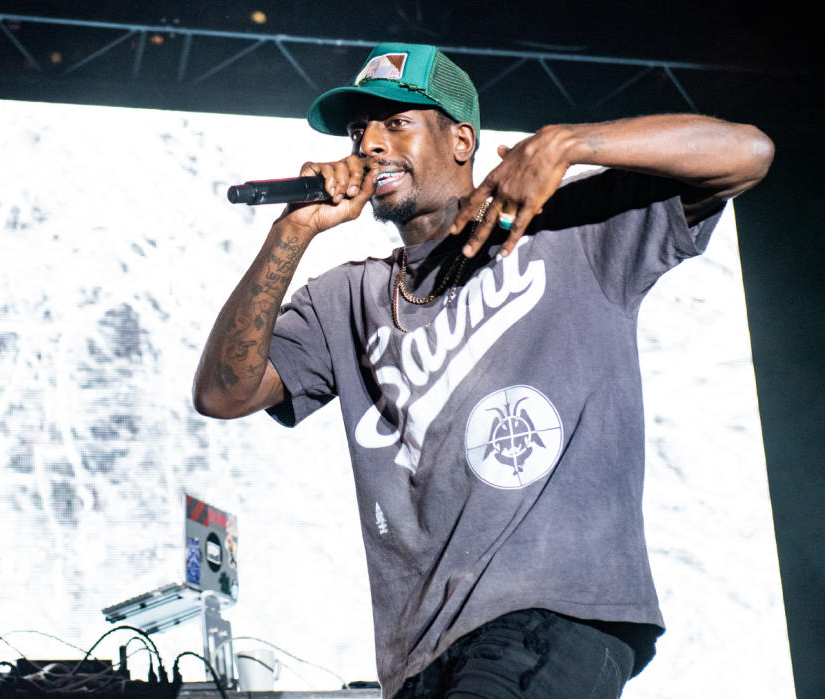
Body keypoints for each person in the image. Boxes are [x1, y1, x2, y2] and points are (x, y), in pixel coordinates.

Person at [193, 43, 772, 698]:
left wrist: (572, 143)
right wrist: (292, 232)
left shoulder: (567, 230)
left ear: (461, 139)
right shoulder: (345, 299)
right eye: (360, 131)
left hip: (549, 615)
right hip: (419, 653)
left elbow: (748, 154)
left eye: (396, 123)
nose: (371, 145)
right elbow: (222, 391)